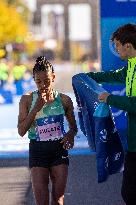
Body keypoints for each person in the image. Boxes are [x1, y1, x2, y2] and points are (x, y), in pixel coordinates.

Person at [85, 23, 136, 205]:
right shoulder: (130, 66)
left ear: (127, 46)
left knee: (130, 193)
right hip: (133, 143)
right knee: (128, 193)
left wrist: (110, 98)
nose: (116, 50)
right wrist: (88, 76)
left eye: (117, 46)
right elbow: (114, 75)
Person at [17, 56, 77, 205]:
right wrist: (35, 109)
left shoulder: (64, 100)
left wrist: (70, 135)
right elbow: (21, 131)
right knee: (41, 201)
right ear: (34, 80)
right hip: (38, 151)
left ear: (53, 77)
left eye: (47, 81)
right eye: (38, 82)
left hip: (59, 149)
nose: (43, 85)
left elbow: (74, 127)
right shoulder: (27, 100)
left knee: (58, 199)